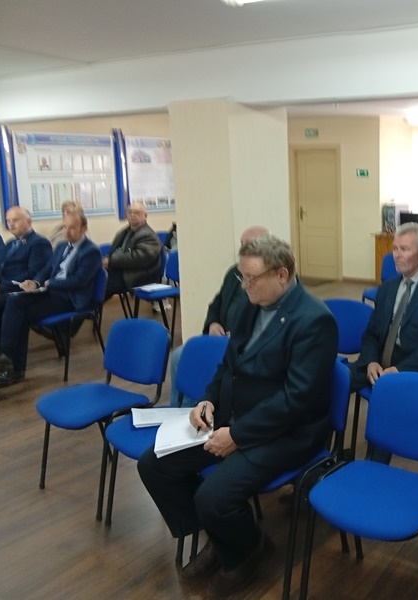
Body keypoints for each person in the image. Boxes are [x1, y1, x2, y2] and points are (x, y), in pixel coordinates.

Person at [137, 235, 338, 596]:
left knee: (212, 497)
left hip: (288, 432)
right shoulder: (251, 305)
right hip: (235, 418)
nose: (244, 285)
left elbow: (297, 400)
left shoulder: (314, 321)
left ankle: (246, 551)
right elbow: (228, 367)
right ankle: (225, 536)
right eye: (241, 277)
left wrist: (238, 435)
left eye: (251, 278)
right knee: (154, 466)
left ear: (282, 274)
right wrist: (207, 401)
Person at [0, 211, 101, 387]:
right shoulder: (61, 246)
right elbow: (47, 268)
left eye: (72, 228)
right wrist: (35, 282)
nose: (66, 232)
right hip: (51, 292)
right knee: (15, 300)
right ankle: (9, 361)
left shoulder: (91, 251)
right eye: (65, 227)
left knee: (20, 311)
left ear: (83, 229)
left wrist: (49, 284)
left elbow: (78, 281)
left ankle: (10, 363)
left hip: (70, 299)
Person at [168, 225, 269, 406]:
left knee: (208, 364)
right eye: (241, 245)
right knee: (178, 357)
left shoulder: (271, 280)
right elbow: (216, 303)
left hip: (246, 346)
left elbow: (269, 323)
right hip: (220, 338)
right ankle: (180, 411)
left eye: (248, 246)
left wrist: (239, 336)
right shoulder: (234, 273)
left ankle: (208, 407)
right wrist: (213, 323)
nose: (242, 250)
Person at [350, 221, 418, 392]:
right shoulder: (387, 287)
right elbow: (372, 332)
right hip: (379, 363)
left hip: (416, 367)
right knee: (334, 380)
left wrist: (400, 369)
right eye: (395, 249)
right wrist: (371, 361)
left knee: (395, 396)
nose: (397, 255)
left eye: (404, 249)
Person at [0, 207, 53, 353]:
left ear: (28, 221)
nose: (10, 224)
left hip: (22, 291)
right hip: (6, 287)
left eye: (15, 220)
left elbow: (31, 274)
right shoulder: (11, 243)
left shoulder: (39, 243)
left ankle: (3, 353)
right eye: (8, 221)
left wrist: (1, 287)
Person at [103, 201, 162, 299]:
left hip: (139, 275)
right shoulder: (126, 231)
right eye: (130, 212)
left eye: (137, 212)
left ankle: (89, 308)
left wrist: (111, 261)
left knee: (101, 284)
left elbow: (138, 258)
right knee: (95, 277)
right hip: (124, 270)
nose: (132, 215)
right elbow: (114, 250)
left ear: (145, 216)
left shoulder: (148, 235)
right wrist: (107, 260)